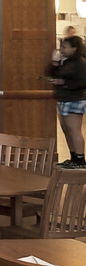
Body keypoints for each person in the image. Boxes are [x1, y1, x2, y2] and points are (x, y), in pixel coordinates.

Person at [49, 35, 86, 169]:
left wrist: (64, 83)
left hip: (75, 99)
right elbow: (53, 73)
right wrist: (54, 63)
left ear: (74, 48)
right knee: (66, 130)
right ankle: (73, 157)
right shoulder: (66, 61)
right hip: (63, 99)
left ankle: (81, 160)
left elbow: (82, 82)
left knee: (74, 130)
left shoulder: (80, 63)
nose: (62, 50)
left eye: (65, 47)